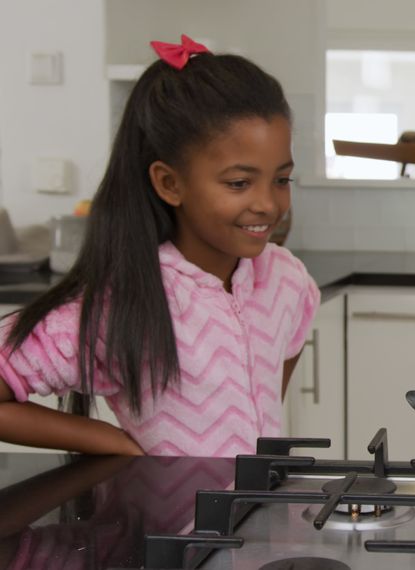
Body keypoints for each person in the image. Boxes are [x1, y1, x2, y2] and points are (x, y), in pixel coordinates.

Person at [0, 36, 320, 456]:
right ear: (170, 183)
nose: (267, 203)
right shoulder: (125, 298)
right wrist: (116, 443)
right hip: (161, 521)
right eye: (239, 183)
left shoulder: (286, 280)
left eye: (281, 179)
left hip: (257, 517)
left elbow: (273, 386)